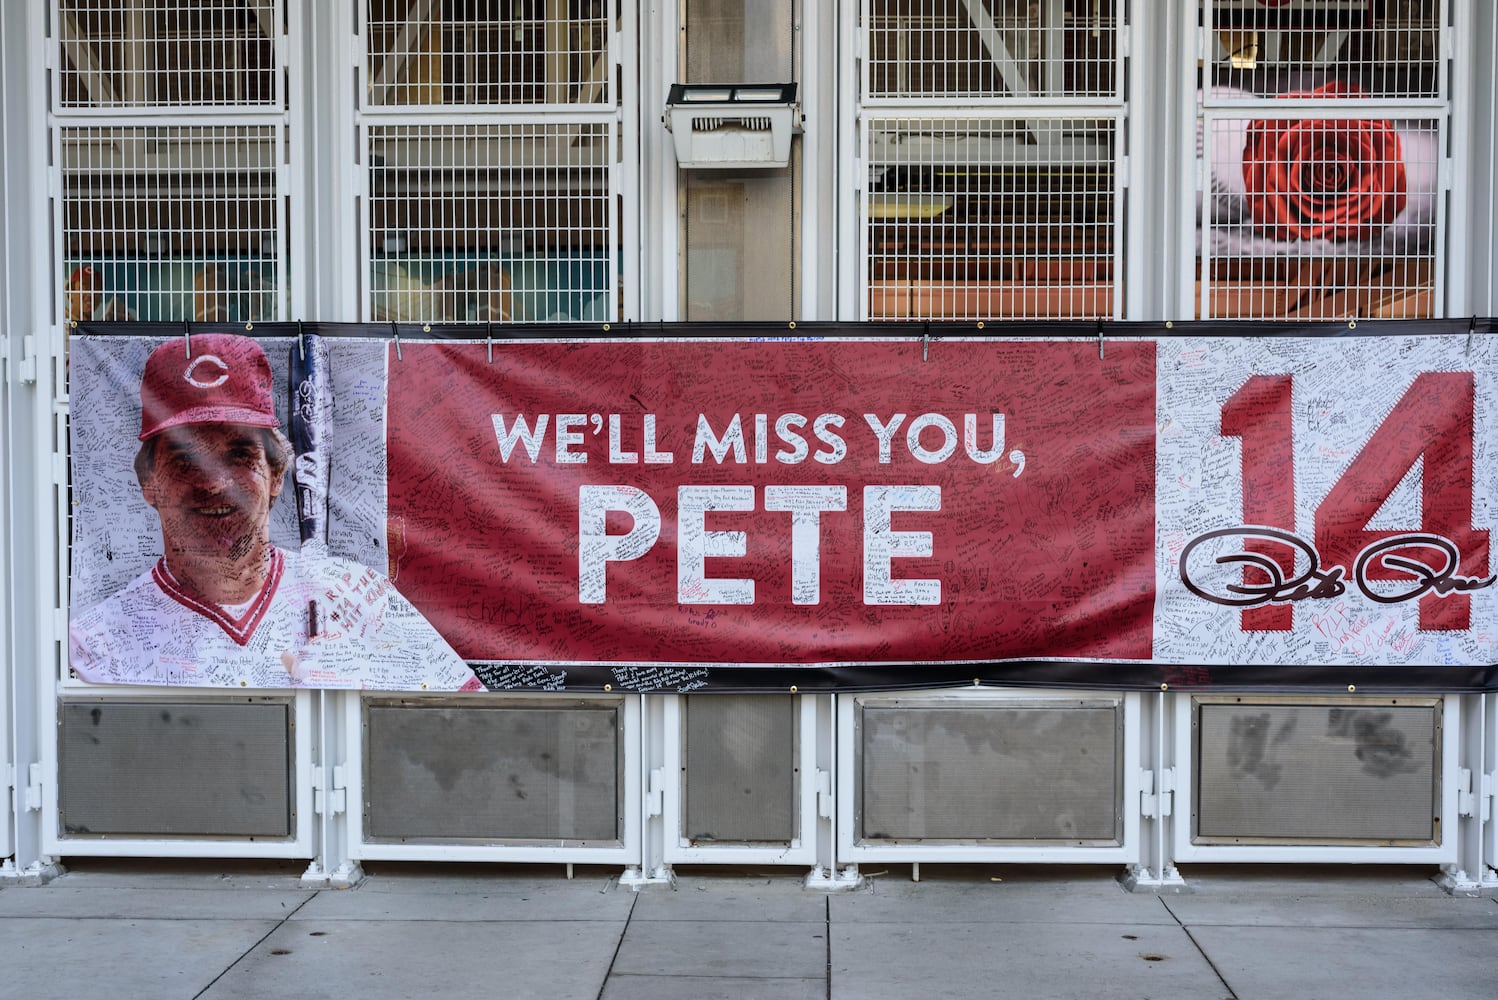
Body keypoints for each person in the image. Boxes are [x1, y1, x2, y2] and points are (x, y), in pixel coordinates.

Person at [69, 333, 482, 691]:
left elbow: (465, 730)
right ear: (148, 483)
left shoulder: (359, 597)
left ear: (278, 476)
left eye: (239, 455)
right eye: (185, 459)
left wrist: (370, 684)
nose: (214, 483)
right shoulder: (97, 642)